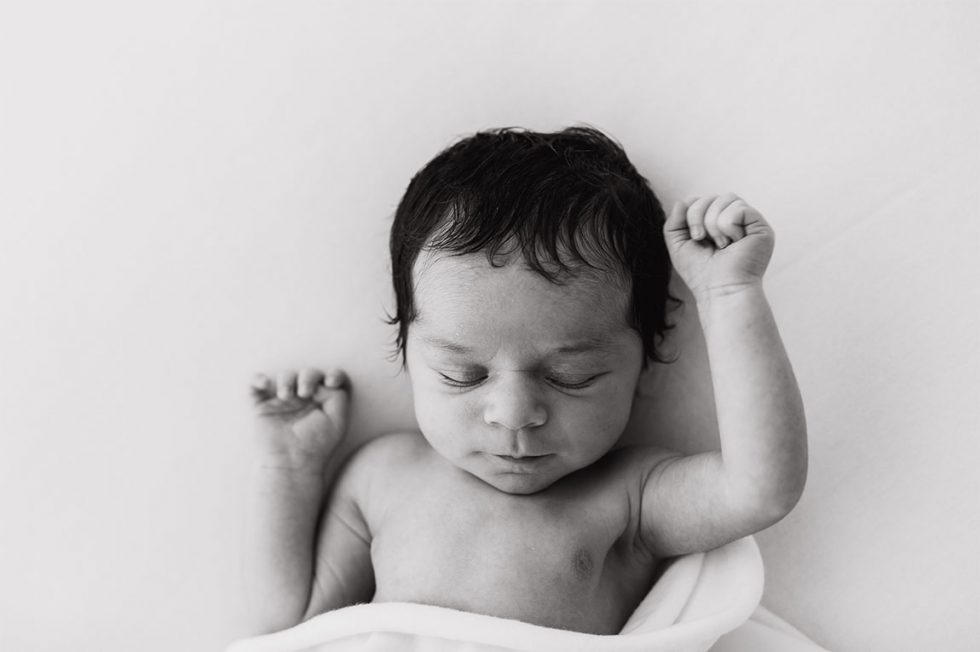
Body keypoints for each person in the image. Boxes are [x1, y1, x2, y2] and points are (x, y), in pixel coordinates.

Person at [243, 126, 808, 636]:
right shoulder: (381, 475)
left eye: (571, 376)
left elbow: (760, 488)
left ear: (650, 358)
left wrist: (729, 295)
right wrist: (289, 471)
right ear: (406, 351)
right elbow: (294, 625)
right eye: (461, 374)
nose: (513, 414)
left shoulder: (629, 497)